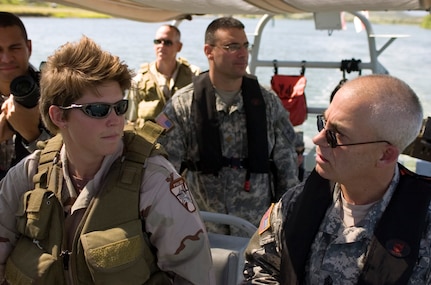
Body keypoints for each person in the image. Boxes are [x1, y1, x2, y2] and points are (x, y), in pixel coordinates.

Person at [0, 36, 214, 285]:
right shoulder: (28, 175)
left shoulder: (153, 180)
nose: (115, 121)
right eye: (98, 110)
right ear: (59, 116)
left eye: (120, 107)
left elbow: (193, 275)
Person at [242, 74, 431, 284]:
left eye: (337, 135)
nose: (318, 138)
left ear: (385, 155)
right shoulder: (296, 204)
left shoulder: (424, 223)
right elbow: (261, 268)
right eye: (323, 123)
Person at [158, 17, 299, 235]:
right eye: (232, 47)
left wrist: (282, 227)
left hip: (254, 233)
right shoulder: (183, 105)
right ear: (209, 51)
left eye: (245, 46)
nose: (243, 54)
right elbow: (166, 172)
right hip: (200, 231)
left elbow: (287, 169)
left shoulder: (267, 103)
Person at [0, 12, 51, 179]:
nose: (6, 58)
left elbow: (73, 169)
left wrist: (32, 135)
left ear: (29, 47)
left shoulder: (55, 94)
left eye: (14, 48)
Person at [126, 24, 200, 128]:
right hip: (150, 142)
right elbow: (130, 120)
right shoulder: (139, 80)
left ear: (179, 47)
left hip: (183, 142)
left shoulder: (194, 75)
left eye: (167, 43)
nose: (161, 46)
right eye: (157, 42)